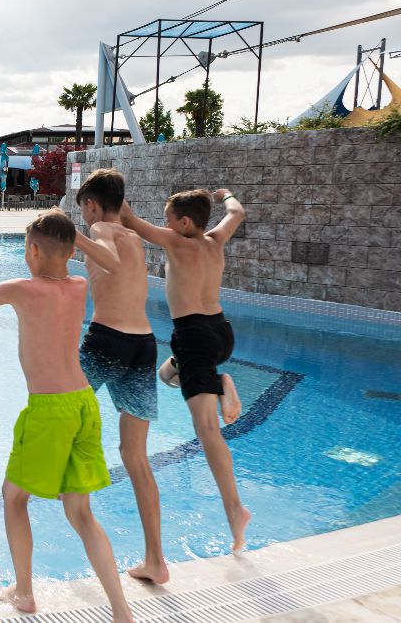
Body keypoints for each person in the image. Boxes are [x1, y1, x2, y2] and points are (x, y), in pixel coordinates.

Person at [0, 210, 133, 622]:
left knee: (14, 498)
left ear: (32, 249)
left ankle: (25, 592)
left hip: (50, 410)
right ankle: (121, 611)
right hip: (84, 404)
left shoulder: (21, 289)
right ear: (69, 250)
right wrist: (72, 237)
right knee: (81, 512)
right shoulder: (80, 284)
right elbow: (104, 263)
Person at [120, 188, 250, 552]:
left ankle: (235, 510)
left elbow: (129, 219)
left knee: (207, 430)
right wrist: (226, 195)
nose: (165, 225)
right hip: (220, 332)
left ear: (185, 222)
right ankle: (221, 381)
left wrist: (117, 185)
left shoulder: (177, 243)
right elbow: (236, 212)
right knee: (166, 375)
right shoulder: (215, 239)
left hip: (194, 337)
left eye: (169, 219)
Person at [74, 169, 168, 584]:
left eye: (83, 211)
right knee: (136, 459)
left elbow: (107, 258)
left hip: (106, 341)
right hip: (144, 345)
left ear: (92, 206)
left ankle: (69, 486)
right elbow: (121, 210)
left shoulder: (99, 229)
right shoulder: (133, 231)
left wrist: (71, 234)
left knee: (55, 407)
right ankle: (156, 562)